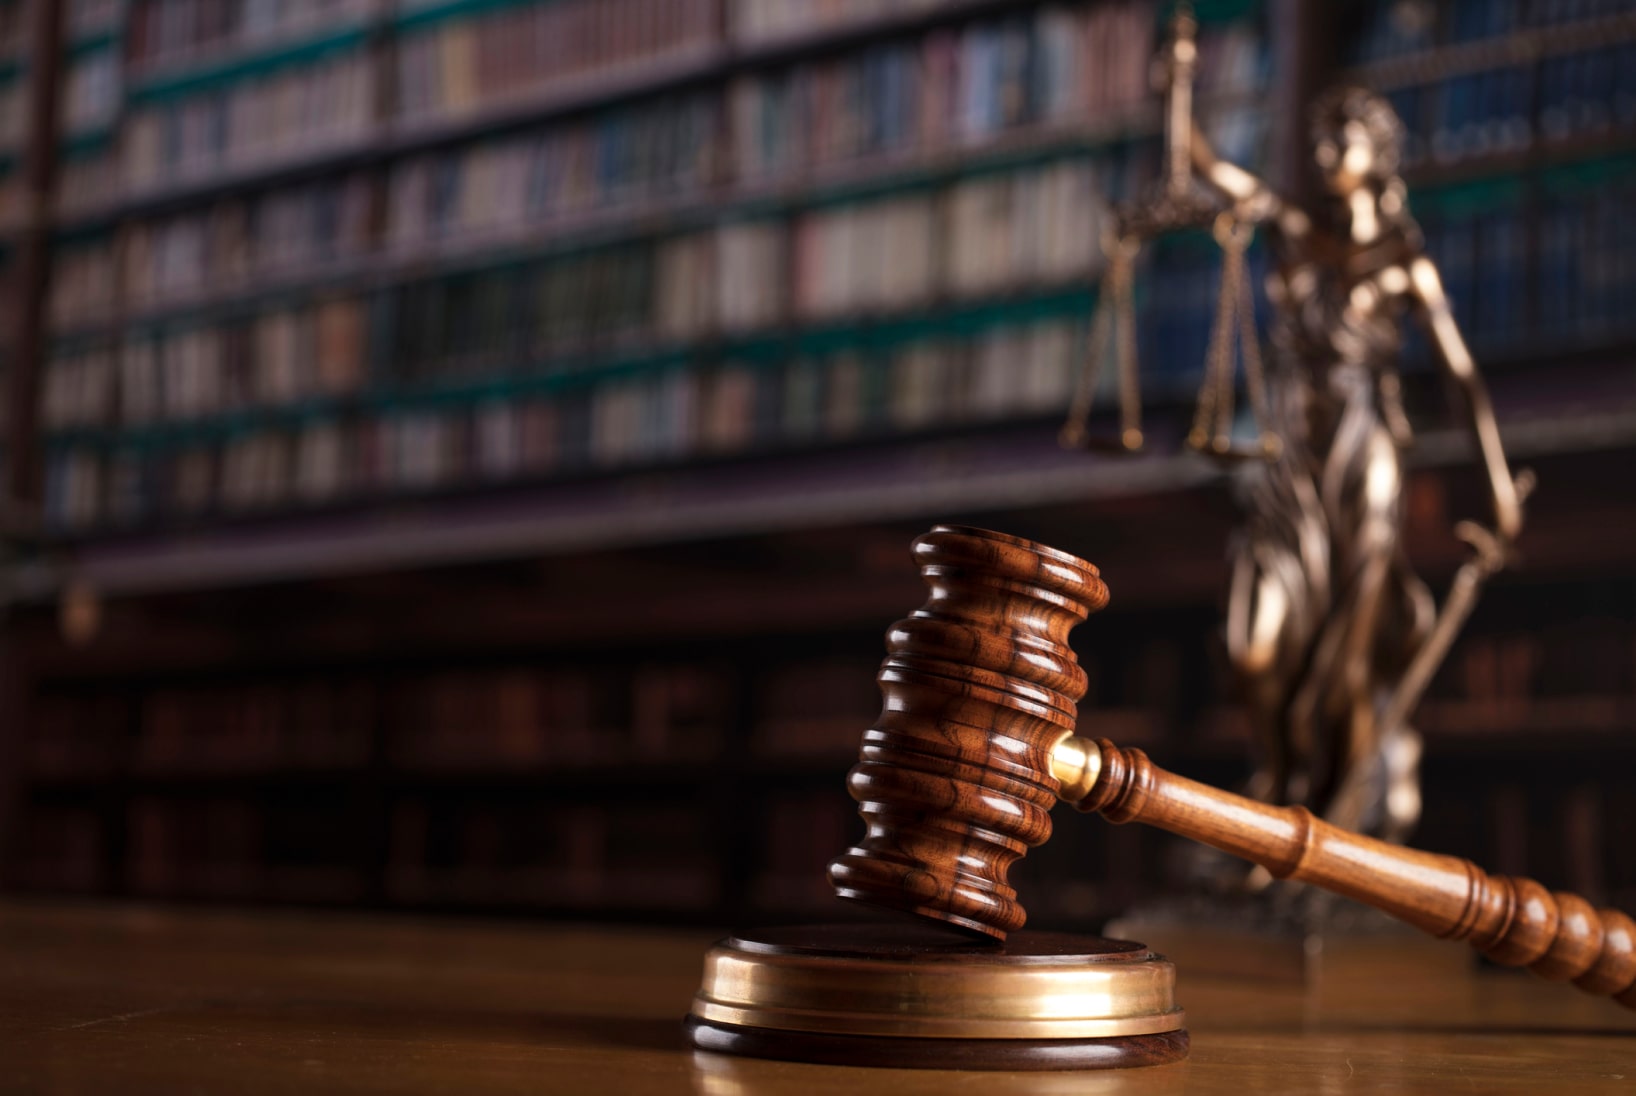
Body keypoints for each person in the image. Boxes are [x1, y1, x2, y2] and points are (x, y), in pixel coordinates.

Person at [1185, 87, 1526, 867]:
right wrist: (1177, 91)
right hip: (1287, 463)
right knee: (1252, 649)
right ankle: (1278, 776)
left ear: (1379, 155)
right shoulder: (1296, 233)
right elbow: (1216, 175)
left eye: (1342, 138)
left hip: (1362, 458)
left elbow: (1461, 377)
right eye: (1320, 139)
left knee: (1348, 652)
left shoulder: (1406, 262)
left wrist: (1499, 486)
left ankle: (1319, 822)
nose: (1325, 152)